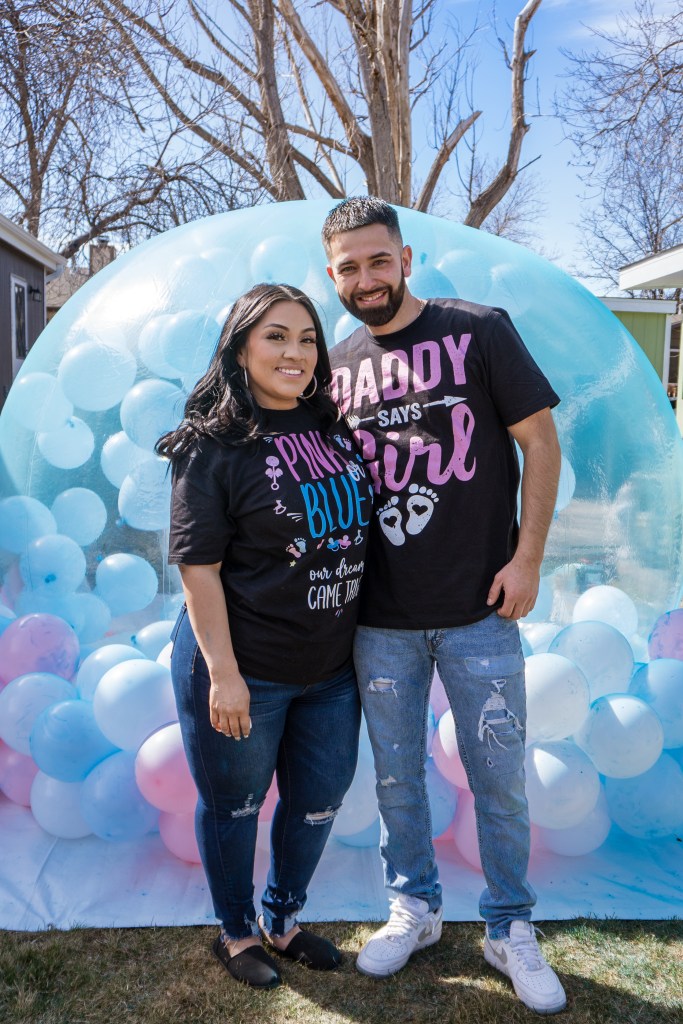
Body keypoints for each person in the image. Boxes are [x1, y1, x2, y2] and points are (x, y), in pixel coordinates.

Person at [322, 197, 565, 1014]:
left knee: (498, 777)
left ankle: (508, 926)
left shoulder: (477, 329)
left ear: (405, 257)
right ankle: (415, 910)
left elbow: (539, 441)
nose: (365, 278)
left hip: (479, 611)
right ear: (333, 276)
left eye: (377, 260)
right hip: (378, 619)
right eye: (348, 267)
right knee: (397, 780)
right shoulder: (336, 363)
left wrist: (526, 559)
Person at [157, 283, 372, 991]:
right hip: (243, 667)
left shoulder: (332, 429)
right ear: (240, 347)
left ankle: (283, 918)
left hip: (331, 670)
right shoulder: (211, 447)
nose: (295, 352)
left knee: (318, 800)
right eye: (276, 336)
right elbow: (198, 570)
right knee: (236, 806)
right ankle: (236, 931)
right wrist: (222, 672)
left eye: (307, 338)